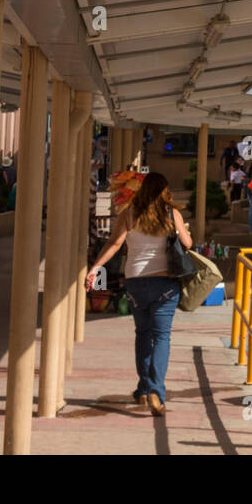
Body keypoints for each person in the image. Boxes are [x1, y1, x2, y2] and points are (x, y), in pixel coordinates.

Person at [86, 171, 191, 415]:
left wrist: (95, 269)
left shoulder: (129, 214)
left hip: (135, 283)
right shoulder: (171, 214)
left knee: (143, 334)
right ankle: (155, 389)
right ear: (165, 192)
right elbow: (187, 244)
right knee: (162, 337)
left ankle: (144, 390)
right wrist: (184, 231)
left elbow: (114, 244)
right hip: (164, 284)